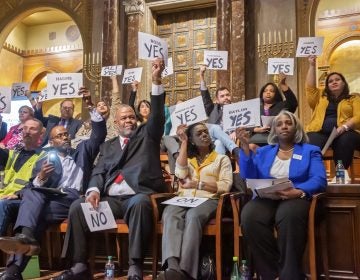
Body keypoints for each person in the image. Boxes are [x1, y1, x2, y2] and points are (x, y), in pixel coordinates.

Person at [52, 58, 167, 280]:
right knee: (78, 206)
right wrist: (94, 190)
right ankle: (79, 265)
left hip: (138, 196)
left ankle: (135, 265)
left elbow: (158, 115)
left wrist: (156, 80)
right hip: (112, 202)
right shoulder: (108, 145)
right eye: (124, 118)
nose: (129, 121)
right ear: (116, 122)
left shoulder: (148, 135)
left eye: (132, 117)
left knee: (140, 203)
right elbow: (99, 171)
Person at [0, 88, 107, 280]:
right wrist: (40, 177)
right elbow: (34, 186)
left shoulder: (82, 151)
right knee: (34, 195)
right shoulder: (45, 159)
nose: (65, 137)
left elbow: (98, 135)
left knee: (34, 213)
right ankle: (15, 266)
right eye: (60, 135)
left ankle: (21, 251)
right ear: (51, 141)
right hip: (54, 199)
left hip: (75, 197)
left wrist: (91, 106)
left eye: (66, 134)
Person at [236, 110, 327, 280]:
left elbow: (319, 179)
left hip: (295, 196)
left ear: (296, 127)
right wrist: (245, 148)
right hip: (268, 197)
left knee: (287, 214)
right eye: (279, 124)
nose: (284, 126)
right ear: (274, 130)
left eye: (288, 123)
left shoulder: (310, 150)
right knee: (249, 217)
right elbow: (248, 176)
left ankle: (290, 275)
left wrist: (299, 191)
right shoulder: (264, 152)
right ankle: (272, 273)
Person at [158, 122, 232, 280]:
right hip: (185, 198)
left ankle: (186, 271)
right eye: (199, 133)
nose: (204, 135)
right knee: (170, 213)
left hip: (208, 199)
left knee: (193, 216)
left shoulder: (221, 159)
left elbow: (225, 186)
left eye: (205, 132)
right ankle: (173, 267)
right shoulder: (188, 158)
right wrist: (183, 142)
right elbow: (180, 172)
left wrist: (199, 184)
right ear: (192, 140)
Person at [305, 55, 360, 178]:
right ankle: (313, 176)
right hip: (320, 132)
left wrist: (345, 127)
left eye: (337, 79)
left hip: (345, 132)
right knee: (309, 141)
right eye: (330, 81)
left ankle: (340, 175)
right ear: (327, 86)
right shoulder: (320, 98)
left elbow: (358, 116)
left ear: (344, 83)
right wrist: (312, 65)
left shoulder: (353, 98)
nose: (334, 82)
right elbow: (310, 89)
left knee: (346, 140)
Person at [0, 119, 44, 236]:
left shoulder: (43, 156)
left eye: (32, 129)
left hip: (23, 200)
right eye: (25, 128)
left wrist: (18, 194)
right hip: (4, 196)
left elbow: (37, 184)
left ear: (41, 134)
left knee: (2, 204)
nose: (27, 131)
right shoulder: (12, 153)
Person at [249, 73, 298, 148]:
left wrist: (283, 84)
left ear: (276, 94)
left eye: (271, 91)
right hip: (258, 138)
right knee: (251, 146)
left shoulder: (281, 105)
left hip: (277, 137)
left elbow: (293, 103)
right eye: (265, 91)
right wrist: (256, 129)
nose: (268, 92)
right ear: (262, 94)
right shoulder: (255, 108)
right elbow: (245, 124)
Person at [199, 66, 239, 156]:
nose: (226, 98)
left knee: (219, 143)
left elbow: (245, 124)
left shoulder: (237, 108)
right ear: (217, 100)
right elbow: (205, 97)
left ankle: (217, 169)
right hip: (211, 139)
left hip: (223, 140)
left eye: (227, 95)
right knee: (215, 128)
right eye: (222, 96)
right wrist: (201, 75)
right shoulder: (213, 108)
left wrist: (235, 131)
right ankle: (234, 149)